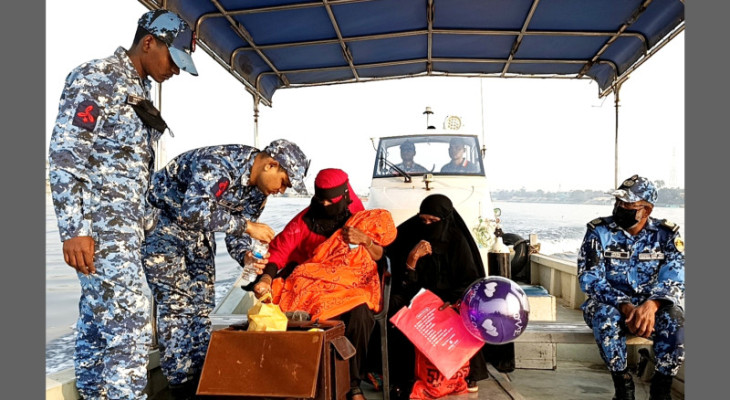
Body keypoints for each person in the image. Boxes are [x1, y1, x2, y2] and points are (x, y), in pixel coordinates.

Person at [47, 9, 198, 399]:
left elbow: (133, 171)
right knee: (131, 325)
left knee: (98, 326)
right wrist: (74, 230)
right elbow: (66, 156)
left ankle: (94, 394)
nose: (176, 71)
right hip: (100, 232)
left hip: (126, 234)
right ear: (149, 42)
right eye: (173, 60)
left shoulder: (138, 89)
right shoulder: (97, 78)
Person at [142, 139, 310, 398]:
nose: (282, 190)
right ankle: (180, 385)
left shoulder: (258, 193)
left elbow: (236, 233)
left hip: (198, 235)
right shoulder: (220, 163)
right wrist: (248, 228)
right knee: (177, 307)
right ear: (271, 165)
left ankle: (200, 379)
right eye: (284, 182)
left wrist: (245, 256)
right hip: (164, 227)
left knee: (202, 305)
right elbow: (193, 211)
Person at [252, 168, 383, 400]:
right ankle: (306, 378)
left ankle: (353, 384)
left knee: (361, 315)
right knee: (297, 311)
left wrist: (365, 240)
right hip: (313, 282)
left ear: (344, 196)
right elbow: (279, 251)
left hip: (351, 282)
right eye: (320, 199)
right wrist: (266, 278)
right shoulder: (304, 221)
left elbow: (379, 256)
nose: (324, 205)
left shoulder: (359, 218)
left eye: (329, 201)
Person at [578, 175, 685, 400]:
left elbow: (675, 279)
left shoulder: (667, 235)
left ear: (646, 210)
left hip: (651, 308)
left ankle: (661, 388)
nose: (620, 207)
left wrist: (652, 305)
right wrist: (625, 305)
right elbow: (590, 279)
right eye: (619, 202)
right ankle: (623, 387)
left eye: (628, 204)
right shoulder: (599, 231)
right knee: (605, 316)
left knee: (676, 319)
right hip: (609, 304)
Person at [384, 194, 489, 398]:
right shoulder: (413, 236)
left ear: (445, 220)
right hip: (419, 296)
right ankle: (403, 374)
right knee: (395, 307)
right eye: (423, 220)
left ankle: (468, 374)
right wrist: (412, 259)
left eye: (433, 221)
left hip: (451, 299)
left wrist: (453, 300)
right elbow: (405, 282)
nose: (427, 226)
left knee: (463, 314)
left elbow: (470, 280)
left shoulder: (456, 241)